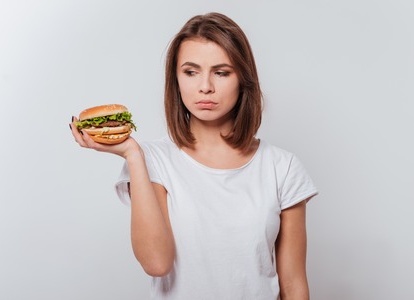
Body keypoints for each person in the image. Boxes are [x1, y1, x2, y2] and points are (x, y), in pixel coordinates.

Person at [70, 12, 317, 300]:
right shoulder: (153, 159)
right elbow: (156, 263)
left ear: (243, 79)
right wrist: (133, 155)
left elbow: (295, 285)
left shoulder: (282, 167)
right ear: (175, 80)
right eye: (190, 72)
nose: (205, 87)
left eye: (221, 72)